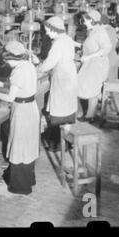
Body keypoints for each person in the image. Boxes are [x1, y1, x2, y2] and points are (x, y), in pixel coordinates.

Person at [0, 41, 39, 195]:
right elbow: (17, 87)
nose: (7, 64)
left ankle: (19, 187)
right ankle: (29, 179)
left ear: (11, 58)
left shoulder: (17, 71)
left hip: (22, 110)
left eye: (6, 60)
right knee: (28, 145)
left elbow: (11, 97)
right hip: (31, 107)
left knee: (19, 146)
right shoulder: (28, 65)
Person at [38, 16, 78, 152]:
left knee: (58, 109)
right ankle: (67, 140)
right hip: (70, 76)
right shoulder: (67, 39)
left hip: (62, 77)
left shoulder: (57, 43)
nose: (47, 33)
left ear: (54, 29)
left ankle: (58, 143)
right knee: (67, 108)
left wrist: (38, 65)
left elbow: (48, 64)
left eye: (48, 30)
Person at [76, 10, 112, 121]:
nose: (84, 22)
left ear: (92, 20)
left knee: (91, 89)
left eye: (86, 20)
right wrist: (76, 45)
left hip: (98, 65)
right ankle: (84, 113)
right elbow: (90, 46)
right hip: (91, 63)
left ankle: (89, 116)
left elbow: (107, 48)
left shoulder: (100, 32)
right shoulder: (92, 31)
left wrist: (88, 57)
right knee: (82, 87)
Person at [101, 14, 119, 80]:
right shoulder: (112, 29)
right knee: (113, 79)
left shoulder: (104, 31)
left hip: (107, 59)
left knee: (107, 81)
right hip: (114, 56)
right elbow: (117, 45)